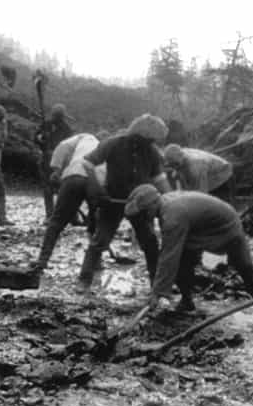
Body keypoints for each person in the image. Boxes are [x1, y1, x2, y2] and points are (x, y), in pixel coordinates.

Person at [124, 184, 253, 323]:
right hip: (200, 229)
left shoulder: (172, 217)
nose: (143, 218)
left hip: (227, 227)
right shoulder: (166, 206)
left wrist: (158, 293)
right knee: (184, 260)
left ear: (151, 206)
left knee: (243, 265)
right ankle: (187, 301)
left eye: (143, 213)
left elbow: (168, 257)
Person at [78, 114, 172, 293]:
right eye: (149, 139)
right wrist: (96, 187)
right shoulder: (113, 143)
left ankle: (158, 286)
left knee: (150, 243)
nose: (151, 142)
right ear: (140, 135)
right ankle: (84, 280)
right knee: (100, 240)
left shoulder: (151, 152)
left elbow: (160, 179)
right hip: (112, 200)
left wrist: (172, 199)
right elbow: (87, 162)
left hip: (140, 203)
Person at [30, 132, 107, 271]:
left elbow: (62, 146)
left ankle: (42, 261)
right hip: (97, 180)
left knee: (56, 221)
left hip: (75, 175)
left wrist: (57, 170)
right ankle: (96, 261)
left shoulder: (84, 137)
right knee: (95, 222)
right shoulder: (105, 148)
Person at [36, 103, 74, 220]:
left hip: (60, 162)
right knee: (47, 189)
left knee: (64, 188)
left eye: (58, 116)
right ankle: (50, 215)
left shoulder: (67, 129)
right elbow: (35, 137)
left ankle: (70, 215)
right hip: (45, 160)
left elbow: (70, 146)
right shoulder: (45, 124)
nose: (56, 118)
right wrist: (41, 138)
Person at [164, 144, 235, 203]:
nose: (174, 168)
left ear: (180, 156)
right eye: (171, 165)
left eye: (175, 164)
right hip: (208, 174)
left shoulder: (196, 165)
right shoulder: (180, 155)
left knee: (219, 206)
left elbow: (202, 193)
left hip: (222, 175)